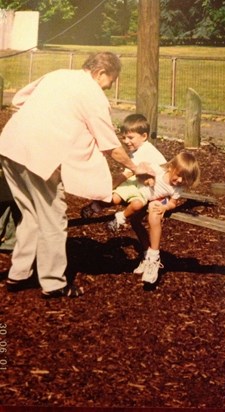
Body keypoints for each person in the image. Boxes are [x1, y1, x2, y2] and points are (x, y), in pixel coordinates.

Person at [0, 51, 150, 299]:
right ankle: (53, 284)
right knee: (54, 219)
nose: (110, 86)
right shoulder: (93, 95)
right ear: (101, 73)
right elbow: (110, 146)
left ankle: (18, 274)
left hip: (10, 146)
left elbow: (18, 101)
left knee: (30, 213)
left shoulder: (57, 75)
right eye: (111, 80)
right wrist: (136, 168)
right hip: (39, 156)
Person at [109, 151, 201, 284]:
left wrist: (165, 207)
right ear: (171, 167)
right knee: (135, 221)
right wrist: (147, 177)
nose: (180, 181)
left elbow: (172, 203)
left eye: (184, 179)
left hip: (159, 199)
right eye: (179, 176)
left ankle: (154, 258)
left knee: (154, 215)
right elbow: (141, 167)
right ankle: (146, 256)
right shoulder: (158, 170)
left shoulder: (178, 188)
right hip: (144, 195)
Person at [80, 113, 166, 218]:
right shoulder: (143, 148)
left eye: (130, 137)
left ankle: (98, 205)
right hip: (148, 185)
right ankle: (99, 204)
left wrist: (111, 186)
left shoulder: (144, 151)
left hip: (154, 190)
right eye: (124, 138)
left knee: (116, 194)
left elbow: (127, 173)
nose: (126, 141)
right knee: (121, 190)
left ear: (144, 136)